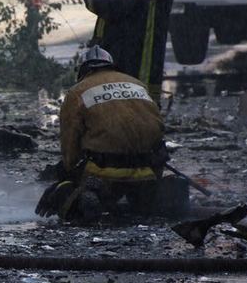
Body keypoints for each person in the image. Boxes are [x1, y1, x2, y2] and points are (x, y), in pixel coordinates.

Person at [36, 45, 187, 221]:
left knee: (64, 190)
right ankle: (148, 199)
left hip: (104, 172)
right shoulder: (137, 84)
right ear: (111, 66)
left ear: (83, 70)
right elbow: (157, 127)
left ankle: (83, 199)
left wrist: (68, 173)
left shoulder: (77, 92)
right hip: (146, 170)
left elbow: (70, 144)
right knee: (143, 203)